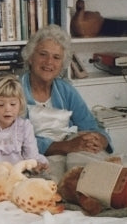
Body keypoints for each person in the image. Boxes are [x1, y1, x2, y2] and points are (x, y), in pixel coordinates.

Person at [19, 24, 112, 180]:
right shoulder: (14, 91)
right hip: (35, 160)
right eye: (43, 54)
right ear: (30, 57)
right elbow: (14, 140)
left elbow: (89, 126)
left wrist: (100, 140)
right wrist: (66, 146)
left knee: (95, 167)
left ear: (62, 64)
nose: (49, 62)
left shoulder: (66, 90)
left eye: (56, 57)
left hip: (69, 153)